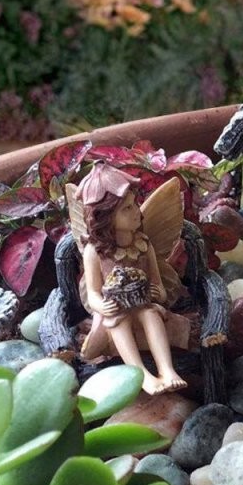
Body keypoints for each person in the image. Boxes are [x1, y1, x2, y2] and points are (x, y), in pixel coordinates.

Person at [70, 163, 187, 394]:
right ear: (105, 217)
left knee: (151, 314)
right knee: (118, 321)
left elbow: (157, 284)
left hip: (142, 304)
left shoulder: (143, 244)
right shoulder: (96, 252)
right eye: (127, 208)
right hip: (112, 310)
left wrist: (158, 293)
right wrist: (102, 304)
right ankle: (142, 375)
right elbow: (93, 292)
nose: (138, 212)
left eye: (134, 205)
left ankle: (167, 369)